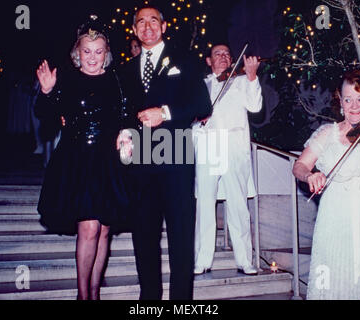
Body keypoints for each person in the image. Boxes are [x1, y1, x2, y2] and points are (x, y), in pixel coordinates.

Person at [117, 5, 212, 300]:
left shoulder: (184, 60)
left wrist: (165, 112)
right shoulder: (124, 70)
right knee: (144, 238)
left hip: (175, 156)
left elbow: (202, 105)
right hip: (140, 160)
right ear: (134, 29)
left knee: (181, 238)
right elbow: (120, 112)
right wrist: (121, 132)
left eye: (153, 20)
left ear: (164, 26)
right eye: (141, 22)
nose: (147, 26)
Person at [35, 16, 127, 300]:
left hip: (108, 162)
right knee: (88, 228)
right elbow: (45, 118)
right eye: (87, 50)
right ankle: (83, 294)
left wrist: (127, 135)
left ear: (106, 54)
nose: (92, 57)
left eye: (98, 51)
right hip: (77, 160)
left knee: (103, 232)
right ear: (78, 53)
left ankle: (96, 291)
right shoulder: (67, 78)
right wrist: (48, 92)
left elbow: (125, 115)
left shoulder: (116, 79)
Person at [292, 69, 360, 300]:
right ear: (340, 101)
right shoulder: (327, 133)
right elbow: (299, 166)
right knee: (334, 276)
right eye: (348, 99)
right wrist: (310, 175)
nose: (354, 105)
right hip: (335, 218)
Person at [192, 44, 263, 275]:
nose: (222, 57)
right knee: (205, 203)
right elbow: (190, 121)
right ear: (208, 61)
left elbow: (255, 106)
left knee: (238, 204)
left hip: (234, 146)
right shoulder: (201, 85)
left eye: (226, 54)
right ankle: (202, 259)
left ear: (232, 60)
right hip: (209, 145)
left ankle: (245, 260)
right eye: (217, 54)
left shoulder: (241, 81)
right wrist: (198, 125)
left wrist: (252, 76)